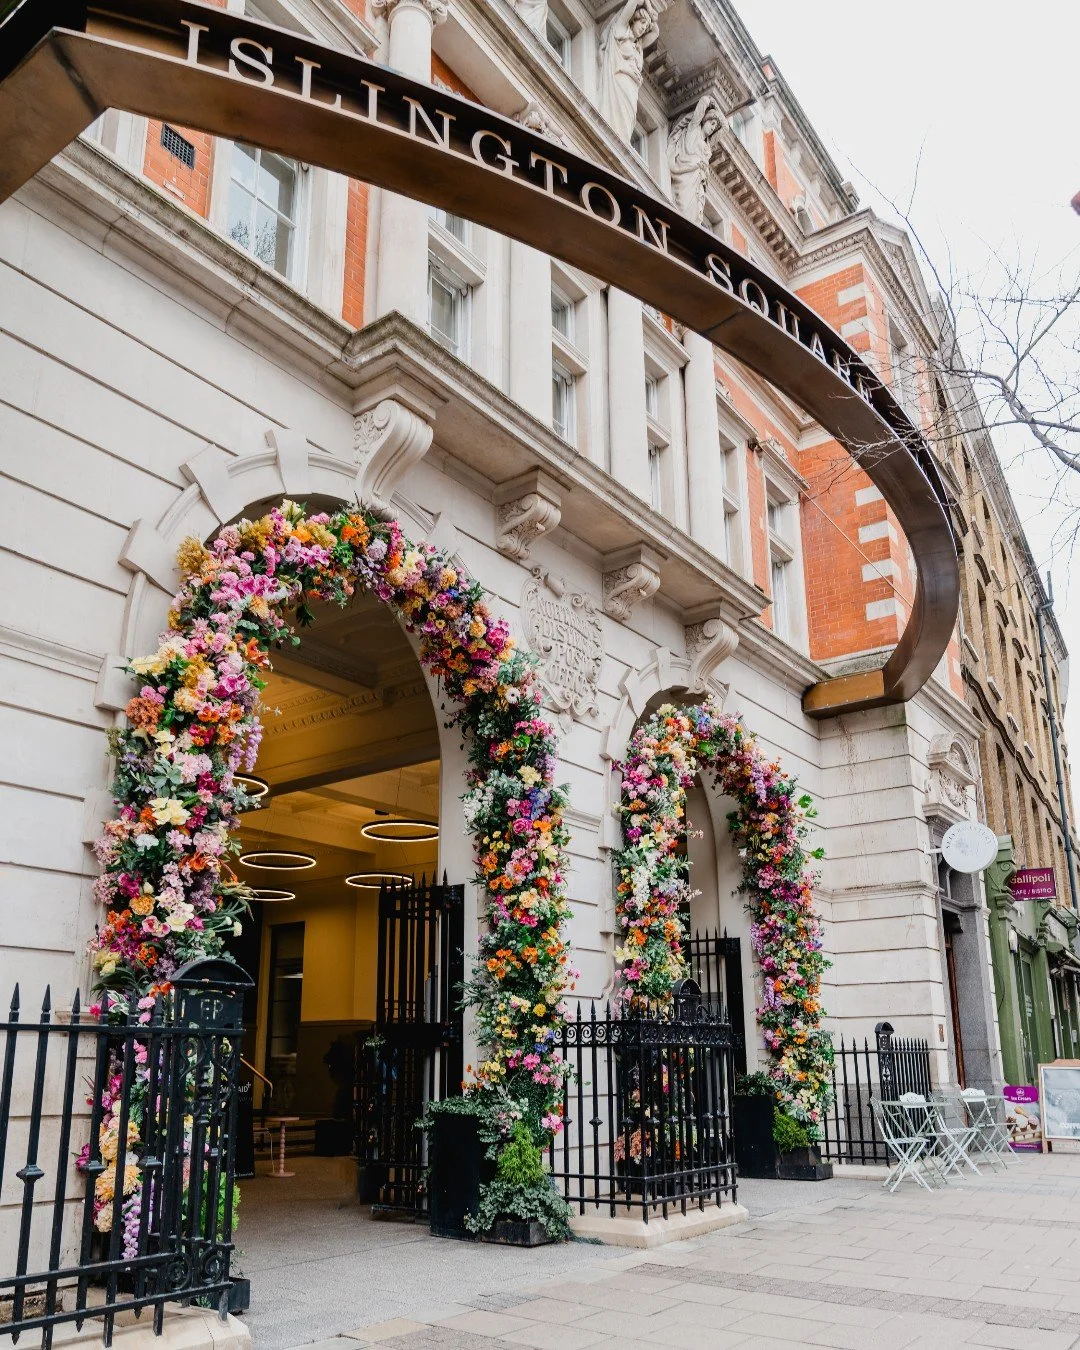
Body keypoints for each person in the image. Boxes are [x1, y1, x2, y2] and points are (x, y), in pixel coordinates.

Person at [598, 0, 661, 145]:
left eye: (646, 27)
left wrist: (651, 19)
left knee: (626, 122)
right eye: (642, 23)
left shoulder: (638, 45)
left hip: (632, 88)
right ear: (634, 19)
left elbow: (655, 32)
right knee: (616, 118)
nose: (644, 28)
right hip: (620, 81)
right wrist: (648, 6)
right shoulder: (621, 30)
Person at [667, 95, 723, 223]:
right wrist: (712, 101)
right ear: (704, 120)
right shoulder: (693, 129)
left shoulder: (708, 144)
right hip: (686, 175)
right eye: (712, 123)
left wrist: (718, 111)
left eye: (715, 127)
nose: (713, 128)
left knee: (695, 212)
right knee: (683, 206)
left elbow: (725, 128)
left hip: (698, 180)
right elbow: (703, 101)